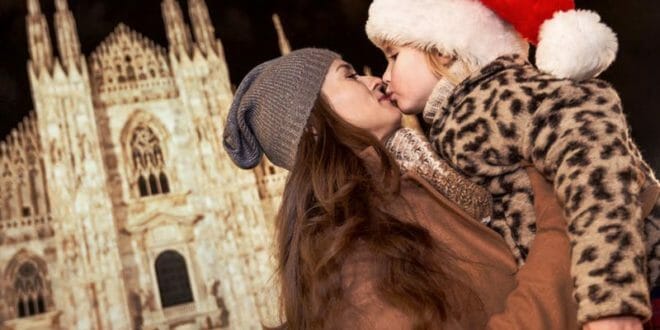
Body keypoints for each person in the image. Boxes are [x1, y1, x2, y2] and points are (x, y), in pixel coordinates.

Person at [222, 48, 578, 329]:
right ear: (313, 125)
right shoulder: (350, 253)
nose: (375, 79)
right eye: (349, 76)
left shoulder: (422, 181)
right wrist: (561, 223)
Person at [364, 0, 660, 328]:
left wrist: (611, 300)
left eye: (393, 56)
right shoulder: (458, 116)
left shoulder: (495, 93)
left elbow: (590, 143)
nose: (385, 75)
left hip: (639, 284)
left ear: (443, 50)